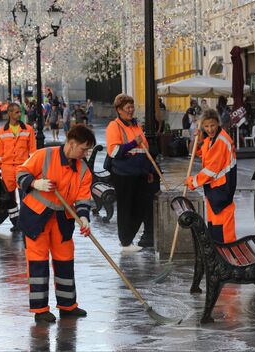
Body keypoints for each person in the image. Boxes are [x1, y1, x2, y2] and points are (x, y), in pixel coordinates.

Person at [16, 124, 95, 323]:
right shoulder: (44, 155)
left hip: (63, 219)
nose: (86, 153)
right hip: (36, 218)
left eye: (88, 150)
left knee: (65, 261)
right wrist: (35, 183)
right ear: (71, 143)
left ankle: (68, 306)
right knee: (38, 262)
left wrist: (84, 217)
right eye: (84, 148)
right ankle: (40, 310)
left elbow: (83, 197)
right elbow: (20, 173)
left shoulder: (83, 169)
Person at [105, 93, 154, 252]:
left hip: (139, 172)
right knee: (126, 208)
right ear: (119, 110)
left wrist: (149, 170)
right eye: (128, 108)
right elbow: (114, 151)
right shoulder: (114, 126)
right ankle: (125, 241)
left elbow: (143, 149)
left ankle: (128, 238)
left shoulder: (135, 125)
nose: (131, 110)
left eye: (132, 107)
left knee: (141, 206)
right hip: (124, 174)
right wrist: (133, 143)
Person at [185, 109, 237, 243]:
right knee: (215, 228)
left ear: (218, 123)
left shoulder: (221, 140)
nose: (210, 129)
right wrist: (198, 140)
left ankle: (227, 258)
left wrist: (192, 182)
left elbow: (211, 169)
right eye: (206, 126)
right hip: (214, 191)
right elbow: (204, 154)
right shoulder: (211, 140)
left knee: (223, 232)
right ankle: (218, 256)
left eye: (212, 125)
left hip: (222, 192)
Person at [0, 103, 37, 232]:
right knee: (10, 199)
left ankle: (24, 221)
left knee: (24, 196)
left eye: (20, 112)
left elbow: (33, 151)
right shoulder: (2, 131)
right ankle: (15, 222)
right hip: (7, 169)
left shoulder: (28, 129)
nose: (19, 114)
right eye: (17, 112)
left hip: (22, 168)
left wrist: (33, 168)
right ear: (9, 113)